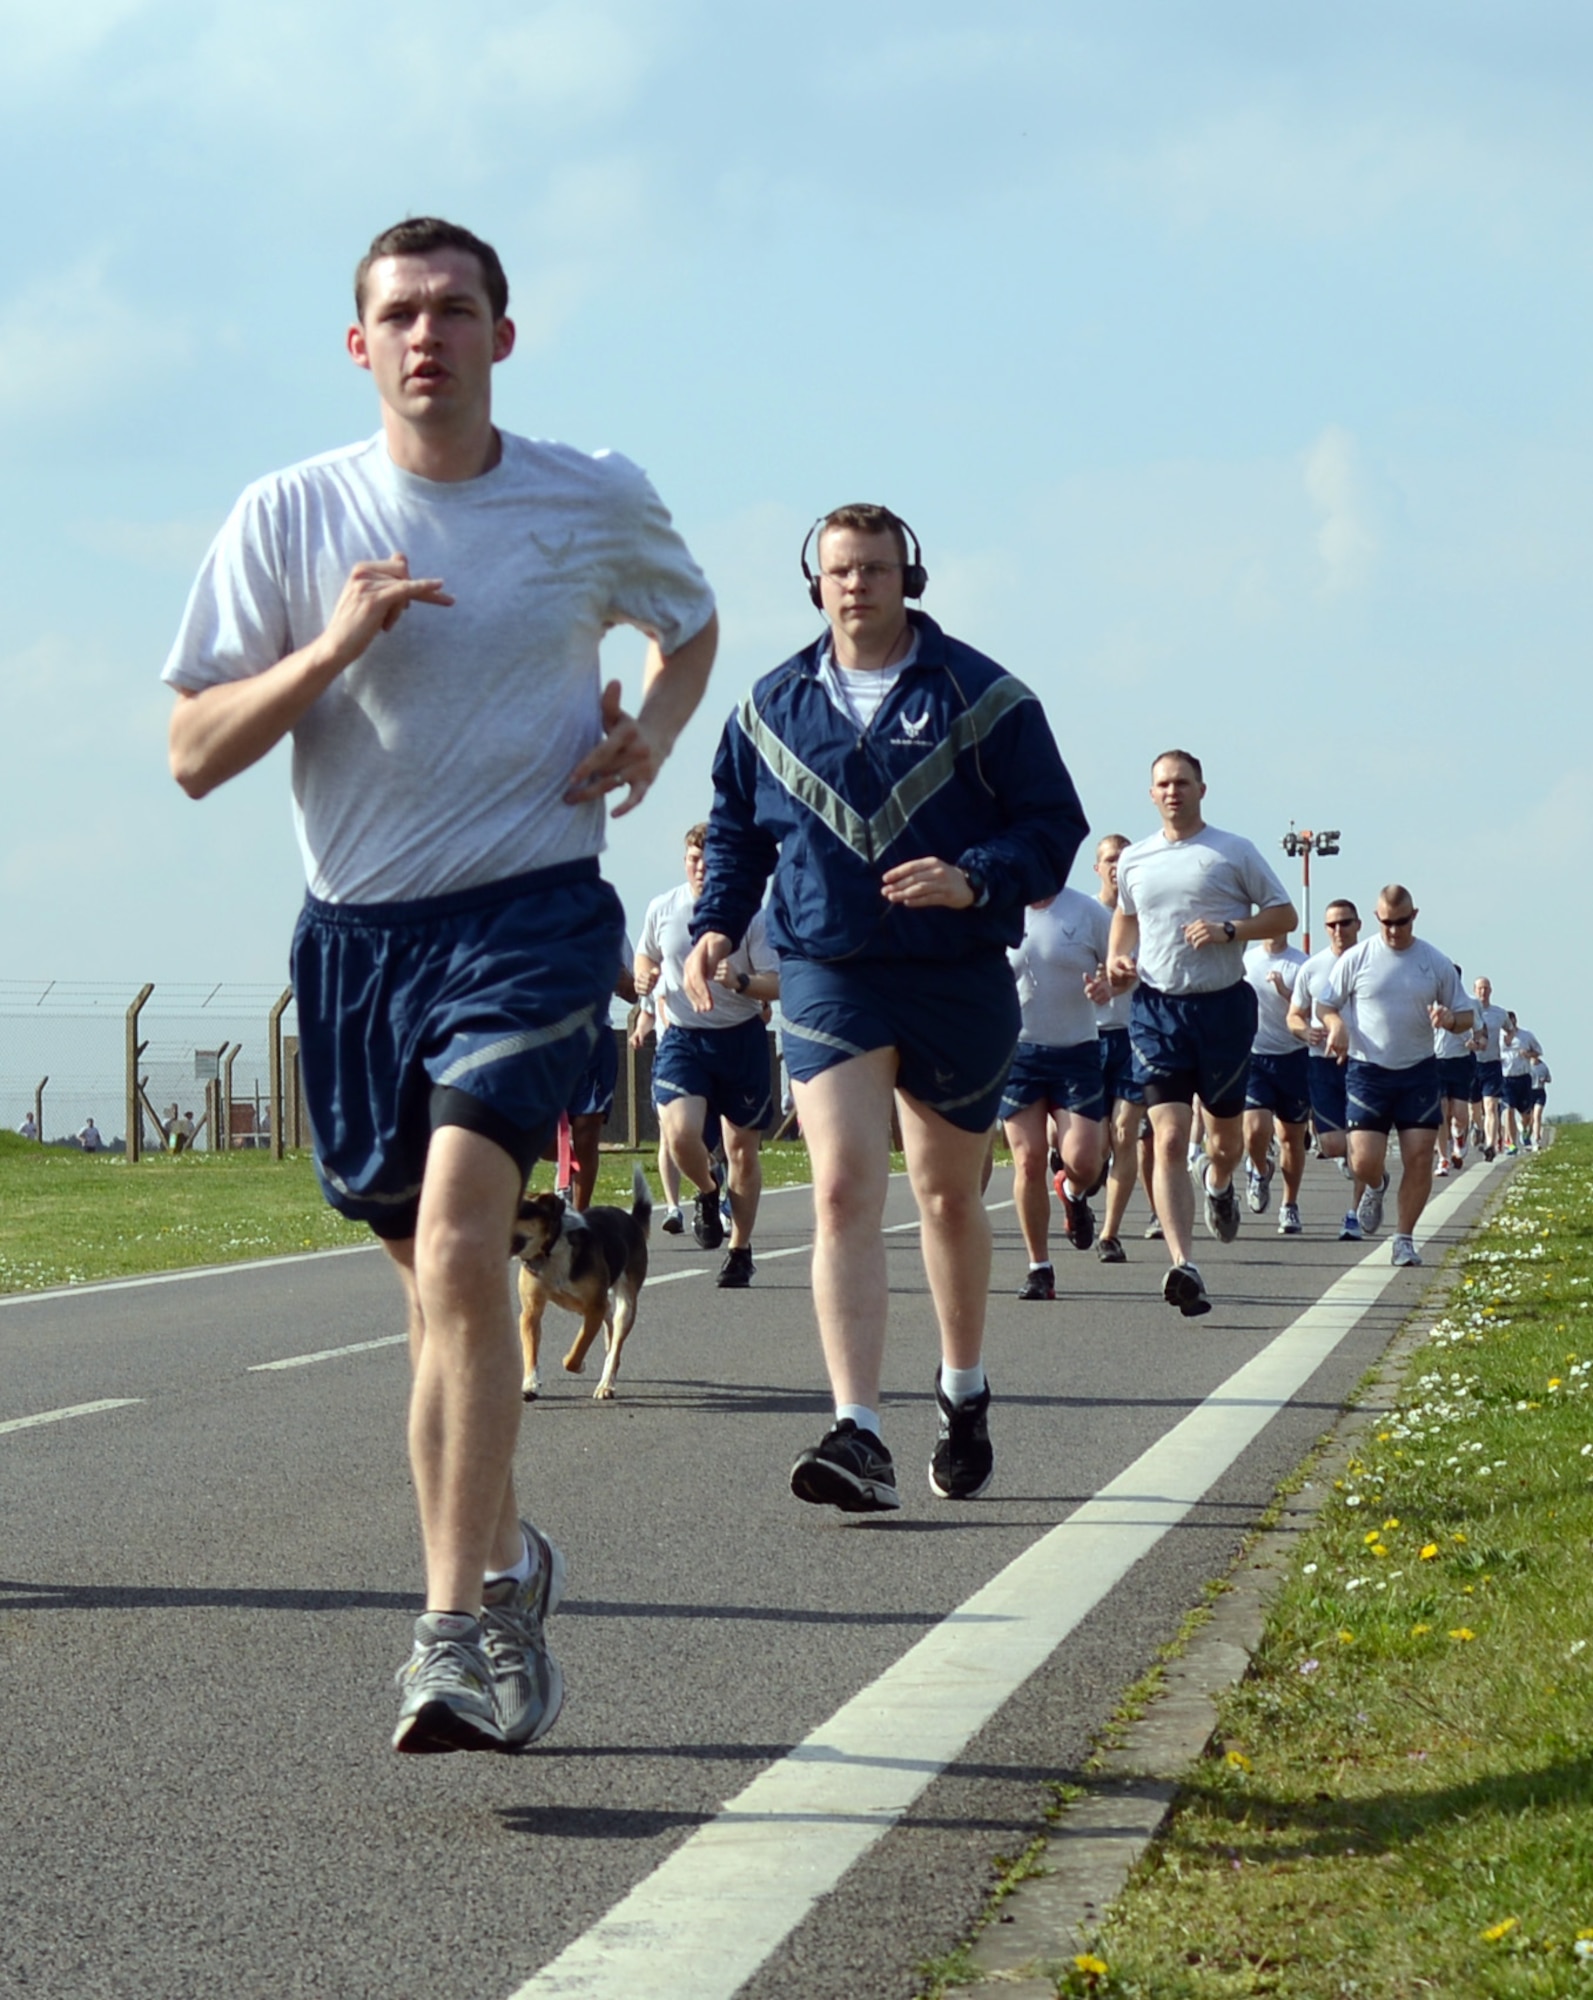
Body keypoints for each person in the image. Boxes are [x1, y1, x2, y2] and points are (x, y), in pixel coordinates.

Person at [163, 217, 718, 1755]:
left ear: (502, 335)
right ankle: (508, 1560)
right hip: (356, 950)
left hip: (531, 918)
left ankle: (455, 1633)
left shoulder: (586, 494)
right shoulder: (289, 515)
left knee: (478, 1237)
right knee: (439, 1305)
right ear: (359, 346)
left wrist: (649, 738)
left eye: (455, 310)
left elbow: (692, 625)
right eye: (398, 314)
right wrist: (331, 647)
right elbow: (196, 755)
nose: (427, 336)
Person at [685, 501, 1086, 1509]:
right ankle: (857, 1427)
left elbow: (1052, 823)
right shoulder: (771, 705)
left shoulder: (983, 694)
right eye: (838, 569)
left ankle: (961, 1387)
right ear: (813, 582)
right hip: (829, 968)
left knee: (948, 1196)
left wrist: (976, 875)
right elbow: (735, 831)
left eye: (874, 567)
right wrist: (715, 923)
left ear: (910, 577)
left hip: (954, 969)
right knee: (842, 1186)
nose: (855, 583)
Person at [1107, 751, 1296, 1316]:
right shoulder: (1135, 860)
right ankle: (1182, 1264)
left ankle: (1219, 1184)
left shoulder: (1232, 851)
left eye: (1182, 783)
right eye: (1162, 784)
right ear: (1151, 794)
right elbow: (1125, 917)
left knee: (1225, 1143)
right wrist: (1119, 958)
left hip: (1223, 1010)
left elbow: (1283, 914)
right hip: (1156, 1010)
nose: (1172, 792)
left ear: (1201, 789)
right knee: (1166, 1137)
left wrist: (1229, 928)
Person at [635, 823, 779, 1287]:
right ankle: (707, 1189)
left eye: (710, 860)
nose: (701, 868)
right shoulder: (664, 908)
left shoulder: (750, 915)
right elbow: (646, 956)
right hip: (684, 1037)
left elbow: (776, 984)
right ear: (685, 862)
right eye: (694, 859)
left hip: (740, 1038)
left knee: (742, 1150)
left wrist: (738, 982)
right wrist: (644, 976)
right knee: (678, 1134)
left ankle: (739, 1250)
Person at [1316, 884, 1471, 1267]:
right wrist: (1335, 1025)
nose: (1394, 930)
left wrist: (1451, 1020)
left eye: (1401, 922)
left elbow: (1466, 1014)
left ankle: (1403, 1238)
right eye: (1386, 922)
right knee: (1364, 1160)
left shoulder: (1433, 961)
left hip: (1418, 1070)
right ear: (1376, 918)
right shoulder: (1358, 957)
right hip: (1368, 1071)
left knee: (1419, 1155)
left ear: (1413, 916)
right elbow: (1325, 1004)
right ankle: (1376, 1183)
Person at [1000, 888, 1109, 1300]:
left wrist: (1108, 987)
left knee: (1085, 1161)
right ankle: (1039, 1268)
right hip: (1019, 1053)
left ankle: (1073, 1190)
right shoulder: (1003, 909)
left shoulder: (1087, 912)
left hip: (1076, 1052)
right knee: (1027, 1161)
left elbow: (1122, 968)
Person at [1088, 833, 1145, 1263]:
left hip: (1132, 1036)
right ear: (1098, 868)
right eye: (1109, 859)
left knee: (1124, 1134)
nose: (1115, 866)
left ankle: (1109, 1234)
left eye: (1123, 859)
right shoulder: (1085, 913)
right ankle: (1075, 1182)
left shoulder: (1144, 919)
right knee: (1091, 1147)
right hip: (1084, 1038)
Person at [1288, 899, 1363, 1190]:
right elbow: (1293, 1015)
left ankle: (1368, 1182)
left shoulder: (1371, 960)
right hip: (1322, 1062)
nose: (1339, 930)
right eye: (1332, 924)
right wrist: (1305, 1032)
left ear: (1358, 925)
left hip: (1363, 1061)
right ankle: (1355, 1162)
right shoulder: (1312, 968)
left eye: (1345, 923)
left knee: (1363, 1138)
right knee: (1332, 1145)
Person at [1240, 930, 1309, 1233]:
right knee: (1255, 1130)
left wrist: (1284, 991)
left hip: (1294, 1057)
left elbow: (1310, 1011)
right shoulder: (1246, 960)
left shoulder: (1301, 964)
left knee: (1291, 1139)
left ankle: (1289, 1205)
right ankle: (1260, 1169)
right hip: (1256, 1057)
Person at [1431, 964, 1476, 1177]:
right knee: (1441, 1112)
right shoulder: (1430, 1003)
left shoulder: (1468, 1004)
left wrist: (1479, 1041)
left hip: (1459, 1063)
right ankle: (1444, 1158)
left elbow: (1480, 1031)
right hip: (1436, 1062)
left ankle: (1459, 1136)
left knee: (1459, 1113)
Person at [1468, 976, 1510, 1161]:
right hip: (1471, 1064)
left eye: (1486, 988)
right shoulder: (1467, 1011)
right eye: (1479, 989)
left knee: (1491, 1106)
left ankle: (1491, 1145)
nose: (1483, 992)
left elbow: (1511, 1028)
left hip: (1492, 1064)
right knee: (1473, 1109)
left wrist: (1509, 1037)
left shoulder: (1499, 1013)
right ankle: (1477, 1128)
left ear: (1491, 990)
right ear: (1474, 990)